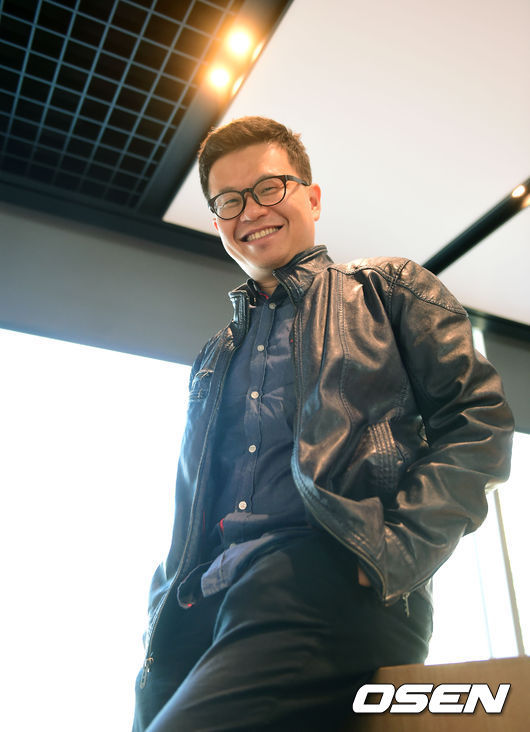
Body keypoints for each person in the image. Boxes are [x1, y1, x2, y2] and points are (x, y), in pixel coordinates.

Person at [132, 116, 514, 731]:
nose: (251, 211)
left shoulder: (388, 289)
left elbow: (478, 424)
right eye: (229, 201)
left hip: (327, 576)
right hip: (199, 602)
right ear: (217, 220)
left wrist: (392, 551)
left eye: (268, 188)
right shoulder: (214, 355)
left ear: (312, 198)